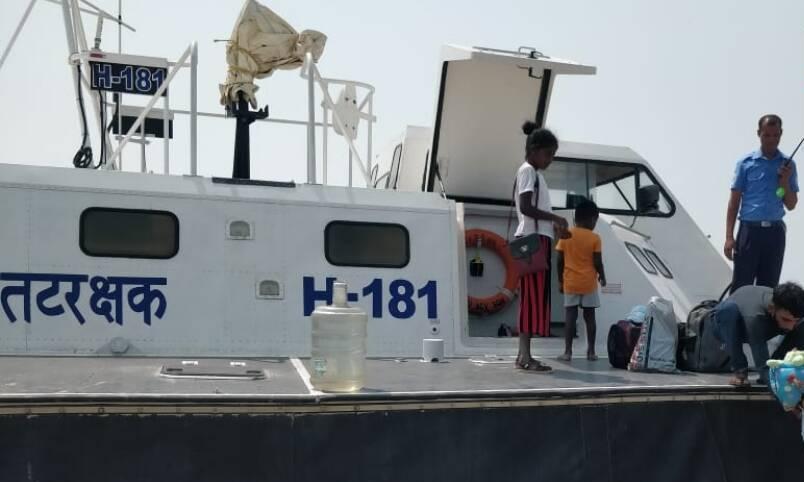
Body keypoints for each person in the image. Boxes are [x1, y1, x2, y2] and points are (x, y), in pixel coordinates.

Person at [513, 121, 570, 372]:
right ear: (534, 150)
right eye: (548, 154)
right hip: (532, 242)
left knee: (533, 299)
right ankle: (525, 356)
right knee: (531, 299)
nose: (550, 160)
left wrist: (553, 225)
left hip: (538, 240)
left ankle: (523, 354)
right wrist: (555, 217)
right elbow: (526, 207)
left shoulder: (535, 174)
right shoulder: (528, 171)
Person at [724, 114, 798, 293]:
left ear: (781, 134)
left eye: (776, 135)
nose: (771, 140)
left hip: (775, 232)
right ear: (759, 134)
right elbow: (734, 202)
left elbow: (790, 204)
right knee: (742, 286)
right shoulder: (745, 163)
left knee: (768, 288)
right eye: (767, 135)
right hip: (749, 231)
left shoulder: (788, 165)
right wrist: (729, 237)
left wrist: (784, 182)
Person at [711, 281, 804, 387]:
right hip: (726, 323)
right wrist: (780, 390)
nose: (791, 327)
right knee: (728, 311)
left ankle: (777, 368)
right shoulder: (755, 318)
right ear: (771, 309)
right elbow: (762, 363)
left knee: (801, 327)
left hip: (768, 321)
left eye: (796, 320)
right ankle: (740, 370)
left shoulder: (793, 313)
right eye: (786, 319)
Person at [556, 200, 606, 362]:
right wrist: (602, 276)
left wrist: (560, 281)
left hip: (570, 282)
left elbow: (559, 260)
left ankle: (567, 352)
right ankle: (591, 351)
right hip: (588, 283)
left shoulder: (566, 235)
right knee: (589, 317)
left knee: (570, 316)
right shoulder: (595, 238)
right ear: (592, 219)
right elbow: (597, 261)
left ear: (575, 218)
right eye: (595, 221)